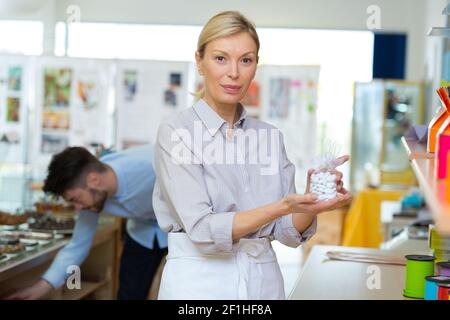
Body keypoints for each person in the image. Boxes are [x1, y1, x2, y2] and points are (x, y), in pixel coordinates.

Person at [152, 11, 353, 300]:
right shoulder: (176, 133)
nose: (234, 72)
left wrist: (309, 203)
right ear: (199, 61)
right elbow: (203, 229)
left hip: (263, 283)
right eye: (220, 58)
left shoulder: (270, 137)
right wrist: (283, 205)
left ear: (255, 66)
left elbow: (286, 232)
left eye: (246, 60)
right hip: (199, 283)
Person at [7, 145, 167, 300]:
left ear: (94, 180)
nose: (77, 208)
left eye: (75, 200)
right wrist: (41, 287)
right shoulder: (91, 197)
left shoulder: (153, 163)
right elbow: (78, 245)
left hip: (180, 229)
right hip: (141, 234)